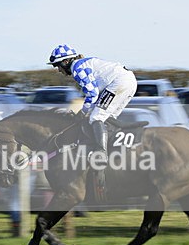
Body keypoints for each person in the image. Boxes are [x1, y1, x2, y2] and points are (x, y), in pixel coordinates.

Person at [46, 44, 137, 192]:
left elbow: (92, 94)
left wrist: (83, 112)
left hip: (119, 82)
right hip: (128, 81)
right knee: (106, 118)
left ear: (65, 62)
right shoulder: (82, 64)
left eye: (58, 66)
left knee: (96, 117)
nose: (58, 70)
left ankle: (101, 153)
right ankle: (112, 148)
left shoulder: (76, 68)